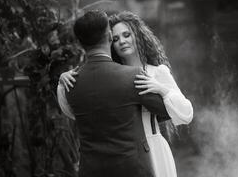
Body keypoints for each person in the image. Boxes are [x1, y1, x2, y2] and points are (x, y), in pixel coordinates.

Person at [59, 11, 193, 177]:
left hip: (155, 150)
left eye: (127, 35)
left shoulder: (158, 72)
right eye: (116, 38)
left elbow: (186, 114)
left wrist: (161, 89)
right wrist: (63, 79)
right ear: (109, 41)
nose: (122, 41)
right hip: (127, 157)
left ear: (138, 35)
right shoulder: (114, 76)